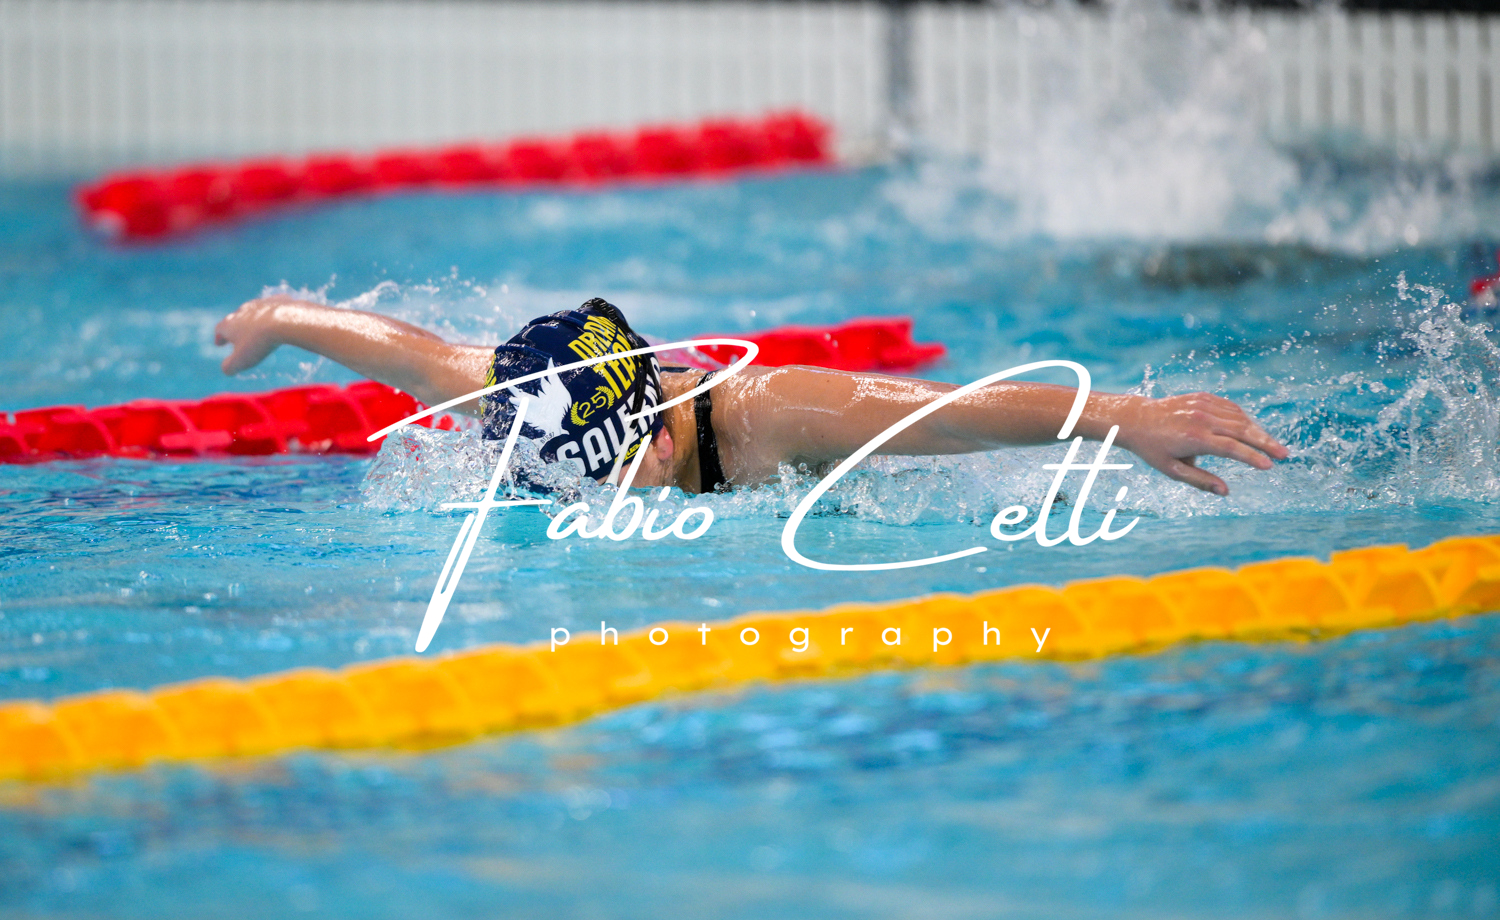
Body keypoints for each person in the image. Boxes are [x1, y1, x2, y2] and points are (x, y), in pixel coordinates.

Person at [215, 295, 1289, 495]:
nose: (595, 500)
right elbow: (411, 354)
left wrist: (1121, 419)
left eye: (604, 478)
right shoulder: (523, 398)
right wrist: (280, 318)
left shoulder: (771, 413)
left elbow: (944, 411)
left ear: (654, 433)